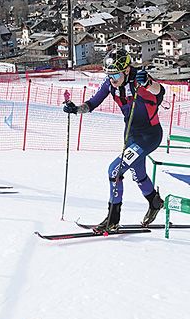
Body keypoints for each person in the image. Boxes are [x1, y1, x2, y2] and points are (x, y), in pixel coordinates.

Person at [63, 49, 166, 232]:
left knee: (115, 171)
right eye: (109, 75)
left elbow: (159, 91)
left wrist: (148, 83)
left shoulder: (139, 79)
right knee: (138, 173)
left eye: (116, 75)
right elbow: (92, 103)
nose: (112, 79)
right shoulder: (110, 84)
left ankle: (113, 218)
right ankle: (154, 202)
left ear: (127, 70)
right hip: (131, 135)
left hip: (149, 136)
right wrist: (76, 109)